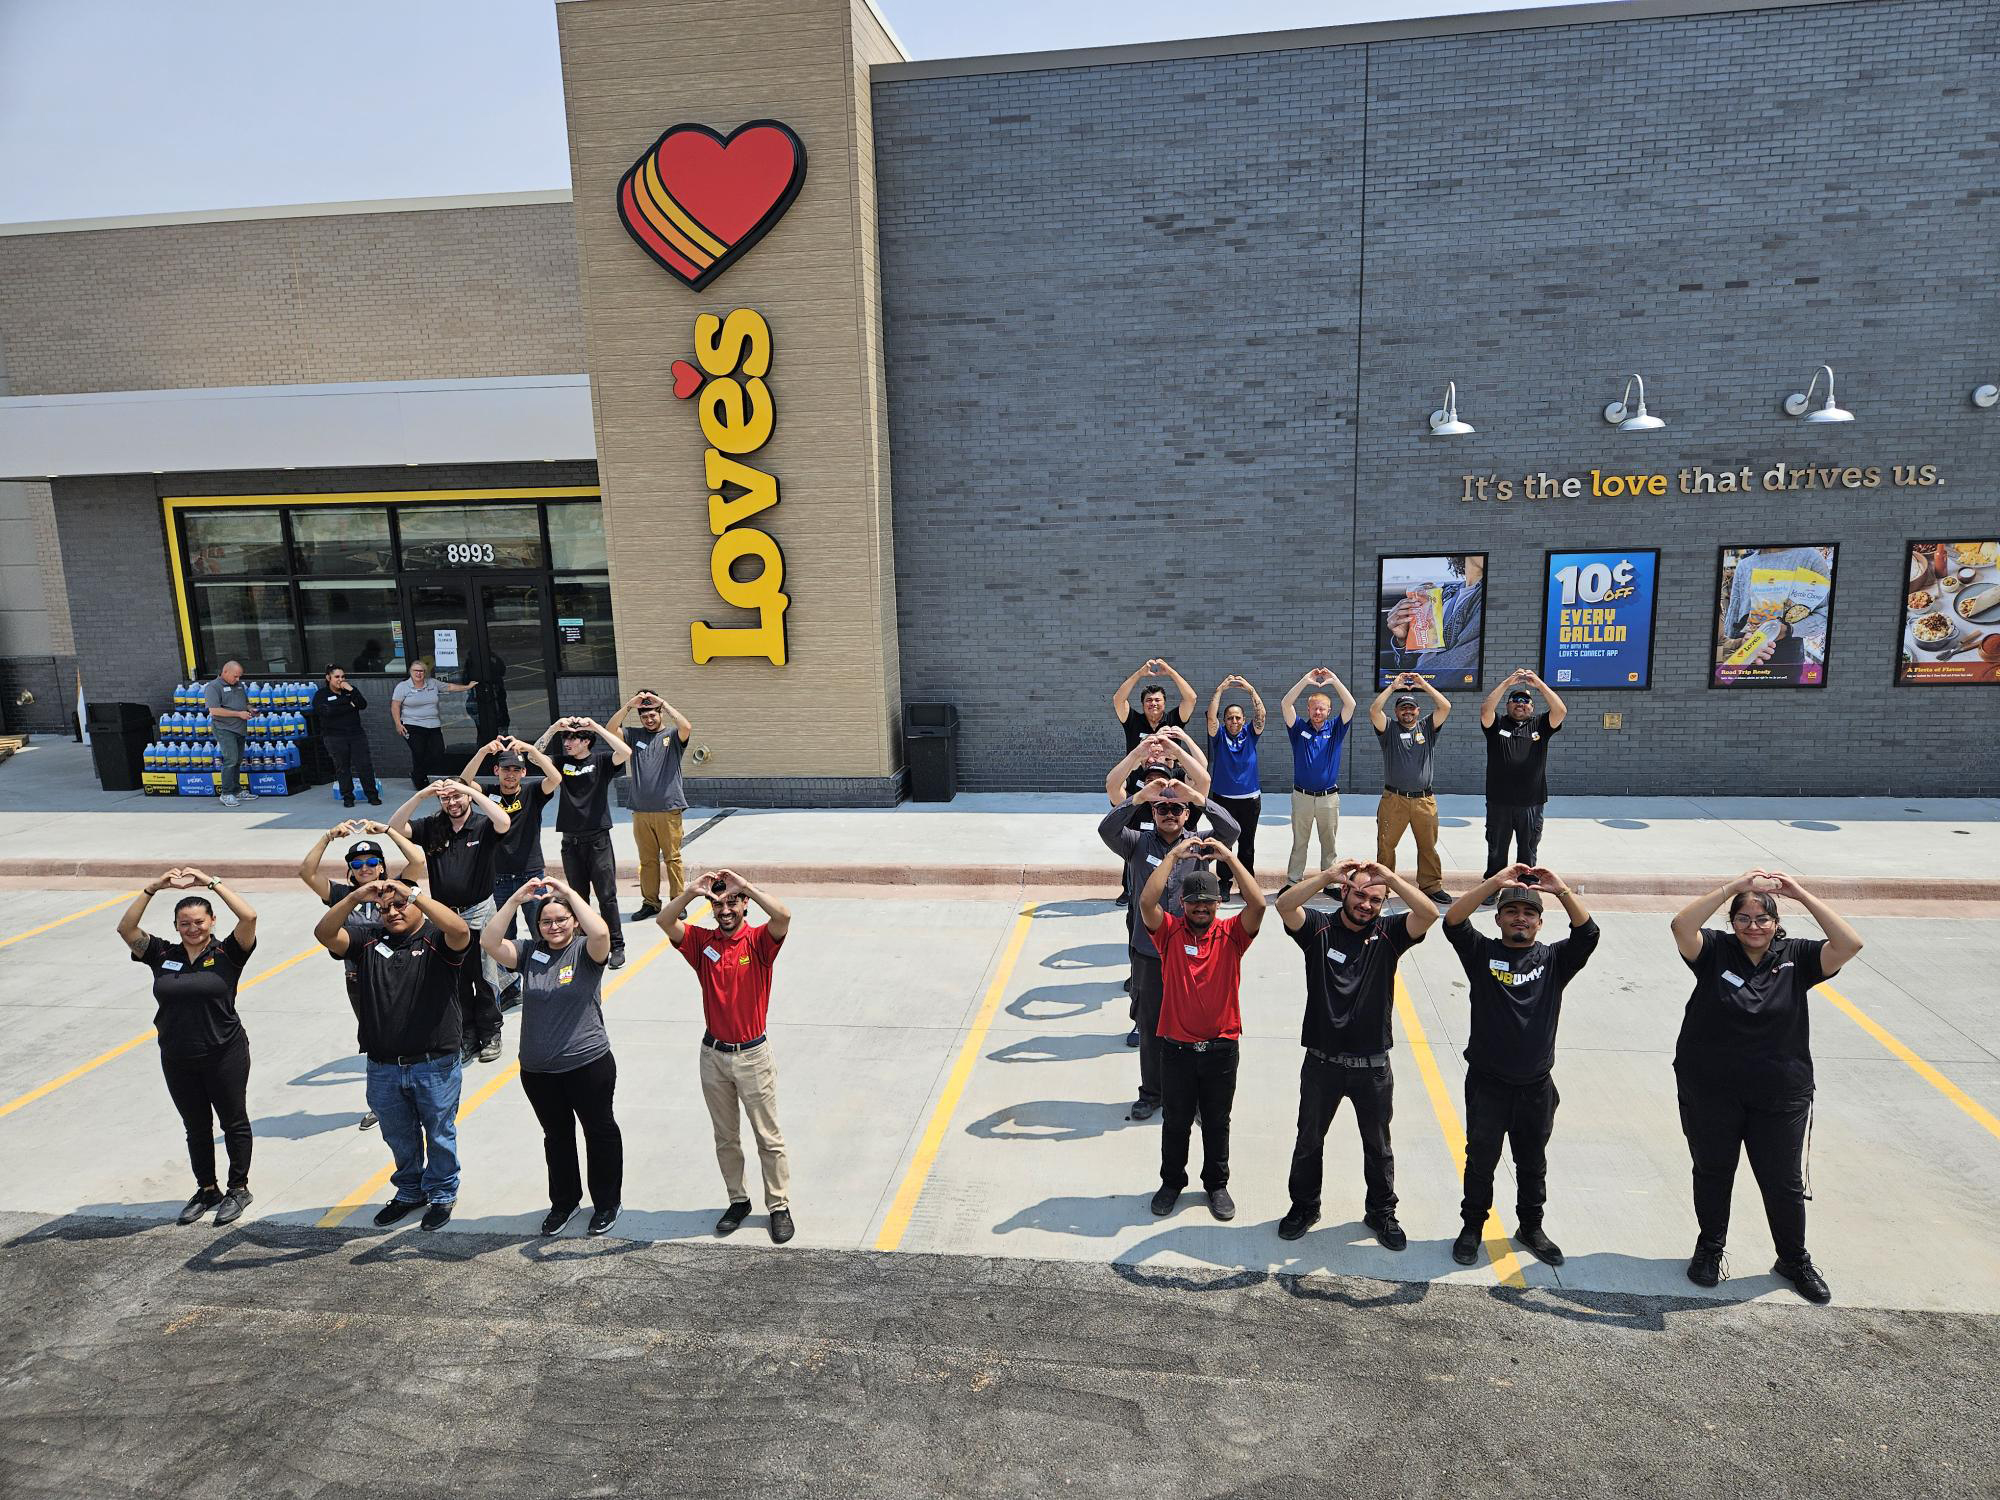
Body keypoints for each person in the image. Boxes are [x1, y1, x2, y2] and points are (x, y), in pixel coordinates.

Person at [1669, 871, 1864, 1303]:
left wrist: (1800, 895)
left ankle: (1793, 1259)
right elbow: (1682, 925)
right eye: (1743, 918)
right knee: (1714, 1171)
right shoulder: (1715, 951)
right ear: (1731, 921)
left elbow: (1850, 944)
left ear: (1776, 923)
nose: (1752, 926)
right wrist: (1733, 885)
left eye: (1762, 919)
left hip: (1780, 1092)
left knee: (1782, 1182)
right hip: (1711, 1089)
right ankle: (1710, 1249)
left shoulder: (1798, 956)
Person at [1272, 859, 1439, 1249]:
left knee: (1378, 1147)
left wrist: (1393, 879)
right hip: (1321, 1064)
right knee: (1309, 1141)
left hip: (1373, 1067)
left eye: (1376, 900)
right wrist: (1327, 876)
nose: (1367, 905)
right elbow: (1284, 906)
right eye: (1360, 895)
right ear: (1345, 892)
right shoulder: (1317, 929)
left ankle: (1381, 1212)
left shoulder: (1390, 932)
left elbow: (1428, 912)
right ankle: (1304, 1207)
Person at [1441, 863, 1599, 1267]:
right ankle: (1472, 1227)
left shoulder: (1555, 960)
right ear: (1498, 919)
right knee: (1481, 1160)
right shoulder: (1482, 954)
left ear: (1540, 923)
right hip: (1488, 1084)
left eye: (1528, 913)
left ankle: (1531, 1226)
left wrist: (1561, 888)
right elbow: (1454, 922)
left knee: (1532, 1162)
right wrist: (1496, 883)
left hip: (1535, 1087)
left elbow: (1588, 933)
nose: (1520, 918)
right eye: (1511, 911)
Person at [314, 876, 474, 1231]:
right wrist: (356, 896)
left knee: (439, 1133)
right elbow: (325, 933)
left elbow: (460, 929)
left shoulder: (436, 939)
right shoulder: (368, 939)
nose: (392, 912)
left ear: (416, 903)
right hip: (383, 1066)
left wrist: (413, 894)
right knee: (398, 1135)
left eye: (400, 905)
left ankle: (443, 1194)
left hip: (434, 1064)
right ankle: (409, 1191)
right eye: (385, 908)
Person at [658, 869, 797, 1244]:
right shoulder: (702, 943)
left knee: (768, 1136)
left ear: (744, 904)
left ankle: (779, 1205)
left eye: (732, 901)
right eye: (717, 904)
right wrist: (690, 892)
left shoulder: (759, 942)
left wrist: (747, 885)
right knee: (726, 1136)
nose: (725, 909)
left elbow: (783, 916)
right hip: (713, 1056)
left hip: (752, 1055)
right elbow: (664, 920)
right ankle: (738, 1200)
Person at [116, 867, 259, 1227]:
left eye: (199, 922)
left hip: (224, 1052)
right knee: (195, 1126)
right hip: (177, 1055)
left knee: (233, 1122)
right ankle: (207, 1189)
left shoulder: (229, 952)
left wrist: (211, 881)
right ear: (177, 926)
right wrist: (153, 887)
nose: (193, 929)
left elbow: (249, 915)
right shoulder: (163, 953)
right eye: (185, 923)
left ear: (211, 921)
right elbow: (126, 929)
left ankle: (238, 1188)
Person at [484, 875, 622, 1237]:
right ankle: (564, 1202)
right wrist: (515, 899)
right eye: (547, 921)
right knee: (556, 1136)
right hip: (538, 1069)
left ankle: (607, 1203)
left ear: (575, 920)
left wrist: (570, 894)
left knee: (599, 1131)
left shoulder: (586, 951)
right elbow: (489, 941)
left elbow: (603, 934)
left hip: (587, 1064)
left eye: (561, 919)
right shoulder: (530, 952)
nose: (554, 926)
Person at [1099, 776, 1240, 1120]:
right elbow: (1106, 830)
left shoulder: (1200, 844)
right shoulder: (1137, 842)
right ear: (1154, 811)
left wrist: (1198, 798)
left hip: (1190, 953)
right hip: (1149, 951)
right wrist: (1136, 798)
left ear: (1186, 814)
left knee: (1194, 1028)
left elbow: (1232, 830)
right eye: (1162, 808)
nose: (1170, 814)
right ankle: (1152, 1093)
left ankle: (1192, 1097)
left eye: (1177, 808)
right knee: (1151, 1026)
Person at [1138, 836, 1264, 1220]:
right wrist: (1174, 855)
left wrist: (1227, 856)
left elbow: (1259, 903)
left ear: (1217, 904)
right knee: (1175, 1122)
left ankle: (1216, 1184)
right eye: (1194, 902)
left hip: (1221, 1050)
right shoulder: (1169, 933)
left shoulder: (1232, 935)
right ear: (1183, 904)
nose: (1200, 908)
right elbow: (1146, 902)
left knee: (1216, 1122)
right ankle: (1172, 1182)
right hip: (1175, 1049)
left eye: (1208, 902)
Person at [299, 821, 429, 1132]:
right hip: (360, 979)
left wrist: (387, 831)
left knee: (414, 1033)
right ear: (351, 872)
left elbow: (418, 860)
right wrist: (328, 836)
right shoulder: (343, 895)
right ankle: (381, 1104)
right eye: (358, 865)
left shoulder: (396, 890)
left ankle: (422, 1095)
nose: (366, 868)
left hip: (402, 973)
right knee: (376, 1040)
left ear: (383, 866)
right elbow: (307, 873)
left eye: (372, 862)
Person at [389, 778, 513, 1064]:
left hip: (480, 912)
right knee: (454, 978)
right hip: (445, 916)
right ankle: (465, 1035)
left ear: (468, 797)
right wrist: (421, 794)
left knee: (484, 976)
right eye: (446, 799)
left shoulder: (483, 825)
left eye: (458, 797)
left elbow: (504, 821)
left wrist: (468, 789)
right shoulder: (432, 826)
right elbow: (395, 827)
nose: (453, 803)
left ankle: (491, 1033)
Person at [540, 715, 632, 968]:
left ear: (586, 742)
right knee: (577, 897)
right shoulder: (561, 762)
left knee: (607, 896)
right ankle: (581, 943)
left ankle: (616, 945)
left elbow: (624, 752)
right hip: (571, 842)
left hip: (598, 840)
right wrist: (553, 729)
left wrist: (597, 727)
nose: (567, 743)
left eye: (572, 738)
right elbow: (534, 756)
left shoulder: (601, 761)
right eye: (566, 738)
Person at [463, 735, 561, 950]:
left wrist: (531, 750)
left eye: (516, 770)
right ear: (497, 770)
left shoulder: (533, 792)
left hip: (531, 874)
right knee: (504, 936)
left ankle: (542, 974)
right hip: (498, 877)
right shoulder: (489, 794)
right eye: (506, 769)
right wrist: (482, 752)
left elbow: (555, 778)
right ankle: (511, 981)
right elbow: (464, 782)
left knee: (541, 931)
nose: (511, 774)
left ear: (523, 773)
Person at [1369, 672, 1454, 904]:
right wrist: (1393, 688)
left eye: (1411, 708)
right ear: (1397, 712)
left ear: (1417, 711)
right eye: (1403, 708)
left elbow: (1445, 706)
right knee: (1386, 846)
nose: (1407, 711)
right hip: (1394, 799)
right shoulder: (1389, 730)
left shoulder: (1426, 727)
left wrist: (1423, 684)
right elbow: (1374, 711)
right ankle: (1382, 886)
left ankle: (1430, 885)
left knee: (1428, 846)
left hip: (1424, 800)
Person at [608, 689, 692, 921]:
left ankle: (678, 902)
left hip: (668, 808)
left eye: (653, 714)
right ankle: (651, 903)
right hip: (641, 810)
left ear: (660, 713)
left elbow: (687, 727)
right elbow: (610, 730)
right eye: (644, 716)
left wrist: (664, 702)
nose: (649, 719)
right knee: (647, 860)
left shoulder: (673, 736)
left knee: (672, 858)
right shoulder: (634, 736)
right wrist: (628, 706)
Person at [1478, 669, 1567, 886]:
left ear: (1532, 707)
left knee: (1528, 849)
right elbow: (1485, 709)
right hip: (1499, 802)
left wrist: (1539, 684)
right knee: (1497, 849)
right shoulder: (1497, 725)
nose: (1520, 703)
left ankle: (1524, 887)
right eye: (1515, 700)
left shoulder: (1541, 725)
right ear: (1508, 705)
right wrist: (1507, 682)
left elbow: (1561, 710)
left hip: (1531, 803)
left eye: (1525, 701)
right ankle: (1494, 886)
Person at [1279, 668, 1356, 888]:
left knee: (1328, 843)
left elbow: (1351, 705)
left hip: (1328, 798)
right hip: (1302, 796)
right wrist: (1305, 681)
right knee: (1299, 842)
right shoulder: (1298, 728)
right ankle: (1293, 881)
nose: (1318, 712)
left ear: (1329, 710)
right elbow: (1286, 704)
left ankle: (1330, 883)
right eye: (1314, 708)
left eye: (1322, 708)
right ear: (1309, 709)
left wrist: (1335, 681)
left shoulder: (1336, 729)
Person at [1205, 676, 1266, 904]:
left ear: (1243, 720)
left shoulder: (1250, 733)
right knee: (1224, 842)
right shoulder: (1219, 736)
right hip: (1223, 798)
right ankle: (1224, 882)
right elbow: (1211, 716)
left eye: (1237, 718)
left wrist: (1250, 689)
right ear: (1225, 721)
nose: (1234, 721)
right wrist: (1220, 689)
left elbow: (1262, 716)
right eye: (1229, 718)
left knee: (1247, 843)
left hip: (1250, 798)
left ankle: (1246, 882)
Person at [1385, 554, 1485, 680]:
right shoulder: (1446, 592)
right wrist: (1404, 641)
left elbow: (1461, 661)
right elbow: (1411, 664)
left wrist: (1404, 682)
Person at [390, 659, 476, 790]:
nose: (418, 673)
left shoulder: (432, 683)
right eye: (415, 671)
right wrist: (397, 723)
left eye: (421, 671)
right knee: (419, 753)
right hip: (412, 725)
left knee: (438, 752)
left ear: (425, 672)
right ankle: (419, 779)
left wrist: (467, 687)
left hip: (433, 725)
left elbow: (449, 687)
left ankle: (418, 773)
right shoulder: (403, 687)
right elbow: (395, 705)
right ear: (410, 672)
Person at [312, 664, 381, 808]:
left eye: (343, 677)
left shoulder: (350, 691)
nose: (341, 680)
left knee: (364, 765)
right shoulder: (321, 695)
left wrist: (351, 690)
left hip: (356, 734)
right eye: (337, 677)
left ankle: (372, 795)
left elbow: (362, 704)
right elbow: (326, 711)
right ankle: (348, 797)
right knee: (342, 767)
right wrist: (349, 705)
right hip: (334, 736)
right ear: (328, 678)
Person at [202, 660, 254, 809]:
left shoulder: (238, 685)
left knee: (238, 759)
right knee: (230, 759)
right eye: (235, 676)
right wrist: (239, 714)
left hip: (239, 728)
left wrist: (251, 709)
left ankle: (236, 790)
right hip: (224, 728)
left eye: (239, 677)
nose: (238, 679)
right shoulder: (213, 687)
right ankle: (226, 793)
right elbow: (214, 710)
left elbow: (245, 703)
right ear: (225, 672)